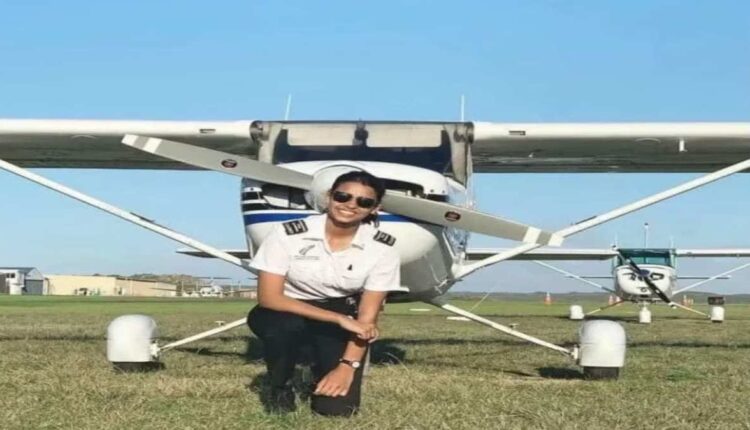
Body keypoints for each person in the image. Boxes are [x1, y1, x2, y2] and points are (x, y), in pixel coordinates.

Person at [247, 170, 406, 417]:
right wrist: (339, 319)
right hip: (285, 309)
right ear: (329, 196)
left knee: (337, 410)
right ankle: (281, 386)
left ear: (374, 209)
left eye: (364, 202)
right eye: (343, 196)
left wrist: (347, 366)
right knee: (285, 327)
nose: (351, 205)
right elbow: (269, 298)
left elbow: (366, 319)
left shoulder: (383, 248)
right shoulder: (287, 233)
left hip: (342, 309)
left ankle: (318, 364)